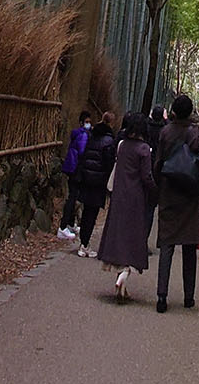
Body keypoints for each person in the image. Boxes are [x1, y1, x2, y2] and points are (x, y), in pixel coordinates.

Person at [152, 93, 199, 313]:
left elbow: (158, 163)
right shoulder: (195, 134)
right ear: (190, 111)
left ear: (173, 111)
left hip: (169, 194)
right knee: (189, 248)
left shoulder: (165, 132)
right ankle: (188, 297)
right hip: (190, 197)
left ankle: (162, 297)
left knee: (167, 245)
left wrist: (159, 186)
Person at [96, 113, 154, 302]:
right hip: (136, 199)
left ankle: (122, 284)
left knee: (118, 235)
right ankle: (123, 276)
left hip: (119, 196)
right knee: (134, 237)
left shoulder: (121, 146)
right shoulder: (144, 149)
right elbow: (146, 177)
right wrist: (156, 190)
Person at [73, 113, 116, 257]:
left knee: (87, 212)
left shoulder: (92, 134)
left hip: (87, 178)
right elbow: (108, 163)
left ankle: (83, 242)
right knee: (92, 214)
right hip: (98, 181)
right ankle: (84, 244)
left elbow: (85, 154)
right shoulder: (109, 141)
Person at [57, 110, 91, 239]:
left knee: (74, 195)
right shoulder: (83, 135)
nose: (88, 124)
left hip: (72, 167)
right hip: (78, 169)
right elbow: (82, 151)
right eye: (87, 122)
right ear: (82, 123)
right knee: (73, 198)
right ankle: (63, 226)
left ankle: (70, 223)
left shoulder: (76, 134)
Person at [144, 105, 166, 246]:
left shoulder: (145, 127)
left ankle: (135, 241)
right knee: (150, 209)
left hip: (144, 169)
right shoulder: (166, 130)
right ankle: (143, 241)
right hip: (157, 173)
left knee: (140, 206)